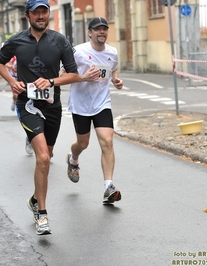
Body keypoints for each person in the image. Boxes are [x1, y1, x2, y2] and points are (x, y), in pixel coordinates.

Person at [0, 0, 99, 235]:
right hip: (28, 105)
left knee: (48, 155)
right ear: (27, 15)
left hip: (52, 107)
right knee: (42, 157)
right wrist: (13, 82)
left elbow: (73, 74)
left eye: (44, 11)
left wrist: (51, 81)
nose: (41, 16)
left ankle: (34, 199)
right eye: (36, 12)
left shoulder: (59, 40)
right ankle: (42, 214)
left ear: (48, 14)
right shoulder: (16, 41)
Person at [62, 17, 124, 204]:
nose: (102, 32)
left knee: (107, 141)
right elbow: (63, 75)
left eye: (104, 29)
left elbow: (113, 69)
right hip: (81, 104)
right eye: (97, 29)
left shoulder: (112, 52)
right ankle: (73, 159)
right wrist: (83, 77)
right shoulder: (78, 52)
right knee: (83, 143)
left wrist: (115, 80)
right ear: (90, 32)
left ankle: (108, 187)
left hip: (102, 103)